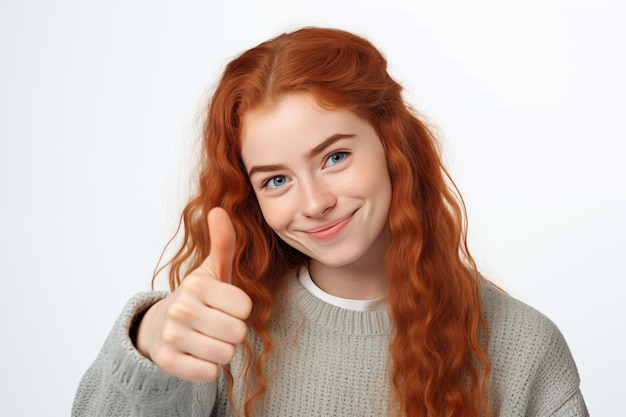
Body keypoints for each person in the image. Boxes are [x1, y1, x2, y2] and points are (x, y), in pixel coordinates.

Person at [72, 27, 588, 417]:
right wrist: (148, 347)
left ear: (392, 147)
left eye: (334, 157)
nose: (314, 202)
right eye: (275, 180)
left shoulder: (522, 344)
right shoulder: (219, 337)